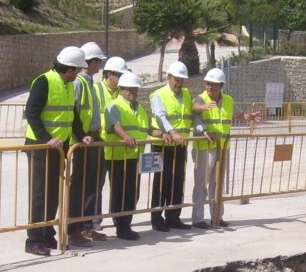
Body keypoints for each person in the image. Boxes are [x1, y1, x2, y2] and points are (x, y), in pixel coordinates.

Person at [24, 46, 92, 256]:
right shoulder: (44, 81)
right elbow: (32, 113)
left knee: (52, 193)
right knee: (40, 194)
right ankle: (33, 239)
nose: (80, 73)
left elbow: (71, 116)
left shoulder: (69, 85)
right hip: (41, 146)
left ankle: (46, 234)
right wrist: (46, 138)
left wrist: (81, 135)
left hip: (59, 147)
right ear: (70, 69)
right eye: (78, 70)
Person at [190, 67, 252, 228]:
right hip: (204, 147)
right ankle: (198, 219)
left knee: (217, 183)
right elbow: (194, 109)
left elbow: (236, 114)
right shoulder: (201, 98)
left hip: (222, 147)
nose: (209, 86)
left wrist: (246, 116)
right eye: (208, 83)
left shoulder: (229, 100)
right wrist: (203, 109)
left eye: (213, 84)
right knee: (201, 183)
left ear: (221, 86)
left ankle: (217, 216)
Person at [67, 41, 108, 247]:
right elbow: (73, 112)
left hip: (92, 138)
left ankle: (86, 226)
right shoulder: (79, 83)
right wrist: (81, 135)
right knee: (80, 186)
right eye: (98, 61)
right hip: (81, 141)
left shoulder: (90, 83)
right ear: (89, 62)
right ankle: (74, 228)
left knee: (91, 184)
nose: (100, 65)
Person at [103, 71, 153, 240]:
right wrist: (126, 137)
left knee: (133, 193)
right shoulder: (114, 105)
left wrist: (163, 133)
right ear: (121, 89)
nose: (133, 92)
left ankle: (126, 224)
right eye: (129, 90)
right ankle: (121, 226)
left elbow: (146, 128)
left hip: (134, 156)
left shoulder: (138, 108)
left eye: (135, 89)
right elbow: (114, 125)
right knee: (121, 193)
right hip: (118, 157)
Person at [149, 61, 193, 231]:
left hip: (180, 144)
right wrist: (172, 132)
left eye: (182, 80)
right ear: (168, 77)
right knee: (161, 181)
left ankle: (174, 217)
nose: (179, 83)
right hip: (162, 143)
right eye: (176, 79)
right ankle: (157, 218)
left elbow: (190, 114)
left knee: (177, 180)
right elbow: (160, 117)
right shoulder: (158, 94)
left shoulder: (187, 94)